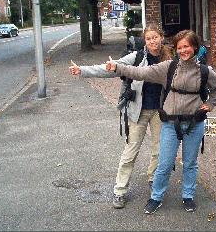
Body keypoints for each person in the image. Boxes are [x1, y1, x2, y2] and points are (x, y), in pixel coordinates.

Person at [106, 29, 216, 214]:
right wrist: (118, 67)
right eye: (179, 47)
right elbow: (141, 72)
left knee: (190, 163)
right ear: (176, 49)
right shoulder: (168, 67)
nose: (183, 50)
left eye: (186, 46)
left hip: (195, 123)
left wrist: (209, 105)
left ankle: (188, 196)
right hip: (170, 123)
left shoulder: (204, 71)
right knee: (165, 163)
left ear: (194, 47)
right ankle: (156, 197)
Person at [69, 23, 172, 209]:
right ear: (145, 40)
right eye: (148, 38)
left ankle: (153, 178)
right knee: (131, 151)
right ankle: (120, 190)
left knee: (160, 149)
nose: (152, 41)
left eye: (155, 37)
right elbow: (110, 68)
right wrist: (82, 71)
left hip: (160, 111)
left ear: (161, 37)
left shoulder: (169, 58)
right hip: (138, 110)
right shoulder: (137, 57)